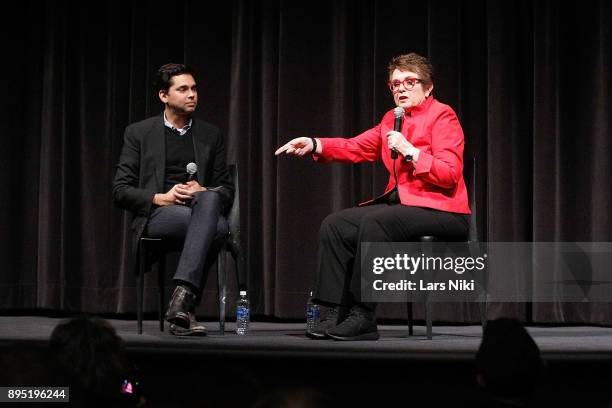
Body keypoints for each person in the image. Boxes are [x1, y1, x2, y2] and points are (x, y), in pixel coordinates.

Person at [275, 53, 470, 341]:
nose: (400, 89)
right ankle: (333, 310)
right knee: (336, 224)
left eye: (409, 82)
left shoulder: (442, 115)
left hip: (443, 211)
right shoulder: (392, 119)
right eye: (395, 84)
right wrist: (315, 144)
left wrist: (411, 151)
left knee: (376, 222)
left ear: (428, 87)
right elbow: (355, 147)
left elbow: (449, 174)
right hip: (403, 207)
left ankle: (363, 314)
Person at [113, 63, 234, 336]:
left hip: (200, 210)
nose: (192, 94)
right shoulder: (139, 133)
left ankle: (181, 307)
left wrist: (202, 190)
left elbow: (226, 188)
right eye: (183, 89)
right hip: (160, 214)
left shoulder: (209, 134)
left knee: (211, 200)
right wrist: (161, 197)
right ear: (163, 96)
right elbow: (120, 190)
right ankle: (186, 301)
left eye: (194, 88)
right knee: (217, 228)